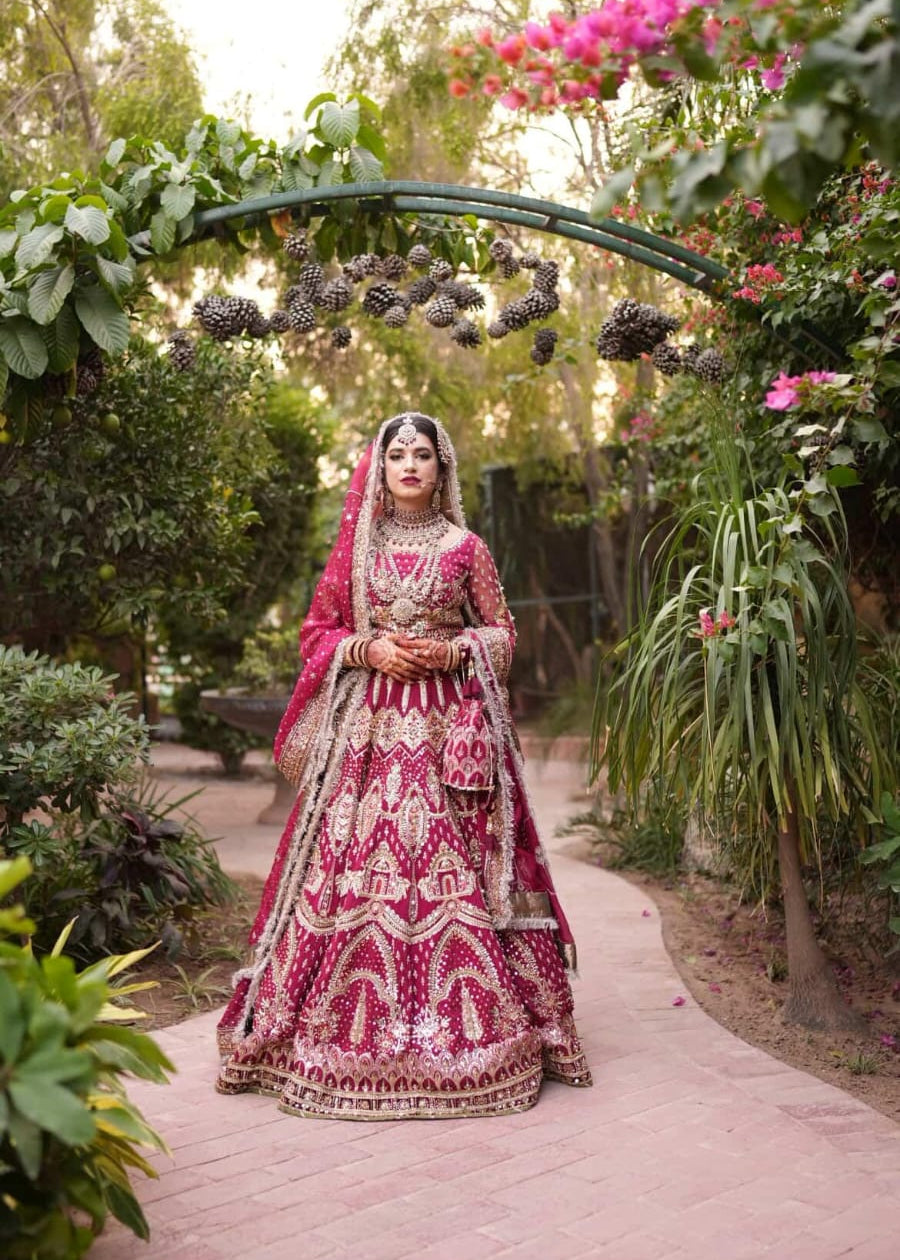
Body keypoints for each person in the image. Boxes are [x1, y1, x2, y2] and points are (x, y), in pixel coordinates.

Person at [216, 412, 591, 1119]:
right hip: (367, 740)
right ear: (380, 468)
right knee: (350, 869)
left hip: (449, 739)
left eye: (422, 453)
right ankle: (325, 1036)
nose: (410, 464)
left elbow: (503, 636)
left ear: (441, 467)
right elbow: (316, 634)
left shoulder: (466, 547)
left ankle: (481, 1041)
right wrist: (369, 651)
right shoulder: (356, 551)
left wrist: (454, 652)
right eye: (398, 454)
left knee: (457, 871)